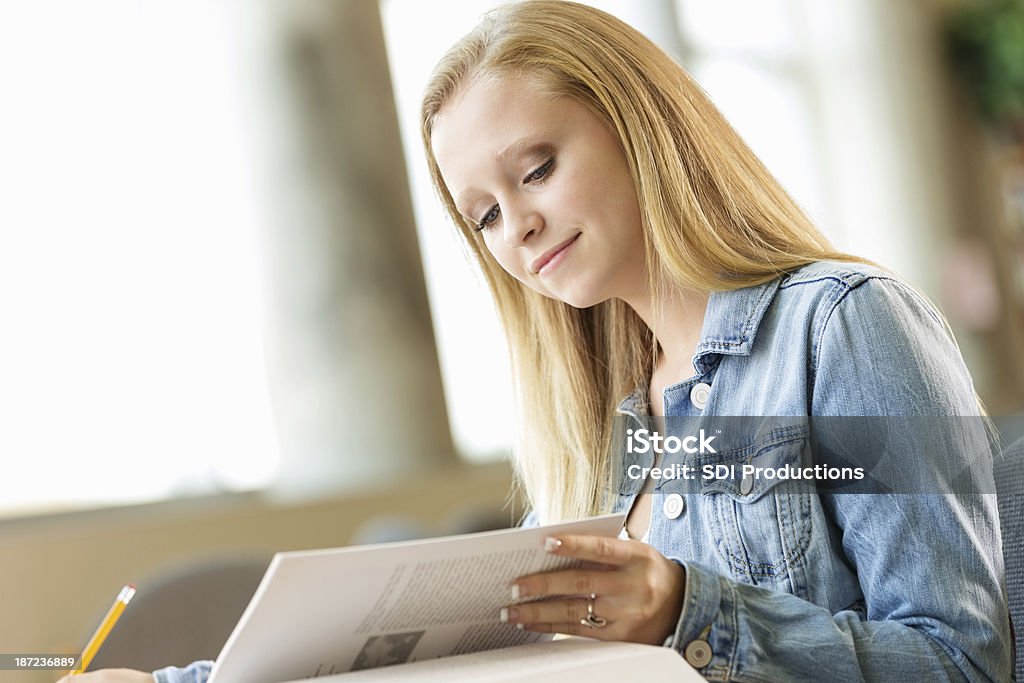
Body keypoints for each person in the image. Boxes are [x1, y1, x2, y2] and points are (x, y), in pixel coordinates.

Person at [62, 1, 1011, 681]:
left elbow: (963, 661)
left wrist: (688, 610)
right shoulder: (601, 424)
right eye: (482, 214)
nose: (515, 226)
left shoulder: (843, 324)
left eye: (539, 169)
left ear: (641, 128)